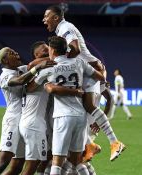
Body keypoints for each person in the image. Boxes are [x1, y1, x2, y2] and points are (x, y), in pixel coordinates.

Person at [42, 5, 125, 161]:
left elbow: (75, 49)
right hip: (86, 71)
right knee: (79, 112)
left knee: (87, 107)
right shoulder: (61, 31)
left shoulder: (66, 27)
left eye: (46, 16)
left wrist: (58, 61)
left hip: (91, 71)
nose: (44, 19)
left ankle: (114, 142)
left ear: (56, 17)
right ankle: (90, 145)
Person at [34, 36, 105, 175]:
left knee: (57, 160)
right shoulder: (79, 62)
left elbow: (31, 86)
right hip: (80, 116)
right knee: (77, 160)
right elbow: (100, 77)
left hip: (63, 116)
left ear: (53, 50)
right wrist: (102, 70)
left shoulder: (50, 68)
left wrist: (48, 84)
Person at [0, 47, 55, 175]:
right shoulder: (5, 75)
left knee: (17, 166)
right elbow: (20, 80)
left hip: (24, 120)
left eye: (15, 51)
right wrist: (37, 67)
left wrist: (55, 55)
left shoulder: (21, 70)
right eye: (12, 53)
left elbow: (32, 65)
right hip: (13, 120)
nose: (16, 53)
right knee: (2, 163)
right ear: (5, 60)